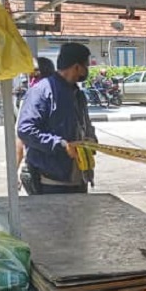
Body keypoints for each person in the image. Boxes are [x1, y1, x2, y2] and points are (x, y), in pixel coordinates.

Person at [17, 43, 97, 195]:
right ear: (76, 67)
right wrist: (61, 145)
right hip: (51, 182)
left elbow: (85, 125)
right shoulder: (42, 91)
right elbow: (25, 130)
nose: (87, 70)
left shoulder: (78, 94)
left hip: (78, 178)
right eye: (86, 65)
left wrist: (91, 140)